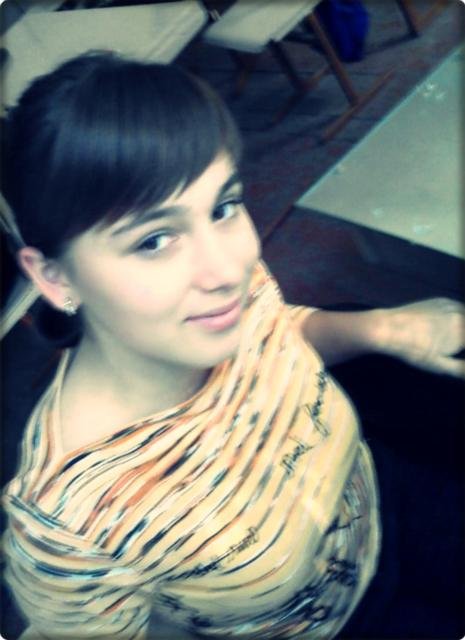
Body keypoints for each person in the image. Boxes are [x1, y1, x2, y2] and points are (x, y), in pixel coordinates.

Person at [1, 52, 464, 640]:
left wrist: (380, 329)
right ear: (55, 277)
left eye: (223, 207)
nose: (229, 268)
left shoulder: (220, 298)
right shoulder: (70, 526)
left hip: (385, 494)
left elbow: (276, 331)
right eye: (153, 240)